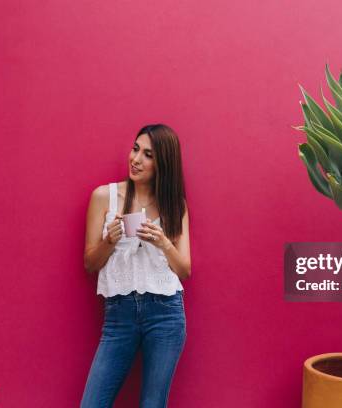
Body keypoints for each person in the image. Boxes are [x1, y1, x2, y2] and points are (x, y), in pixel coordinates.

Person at [81, 124, 191, 408]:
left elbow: (184, 270)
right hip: (119, 316)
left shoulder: (174, 205)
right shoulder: (104, 196)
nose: (136, 159)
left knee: (153, 404)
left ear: (163, 163)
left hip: (165, 313)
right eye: (135, 149)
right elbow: (90, 263)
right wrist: (109, 240)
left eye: (148, 155)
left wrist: (163, 242)